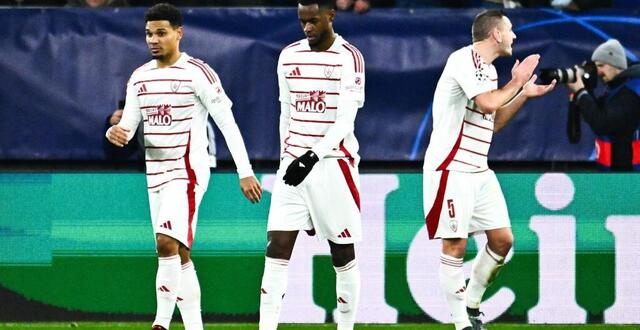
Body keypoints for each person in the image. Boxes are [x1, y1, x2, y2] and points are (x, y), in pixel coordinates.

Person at [105, 3, 262, 330]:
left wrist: (244, 171)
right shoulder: (140, 77)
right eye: (149, 33)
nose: (153, 39)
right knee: (179, 254)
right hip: (155, 173)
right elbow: (130, 127)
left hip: (188, 169)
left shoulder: (197, 73)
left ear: (179, 33)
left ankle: (160, 323)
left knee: (166, 242)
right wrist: (115, 132)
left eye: (161, 33)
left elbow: (227, 124)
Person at [422, 10, 555, 330]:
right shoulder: (463, 60)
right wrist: (517, 81)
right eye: (509, 30)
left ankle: (471, 304)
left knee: (502, 240)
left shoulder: (489, 72)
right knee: (455, 244)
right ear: (495, 34)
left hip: (479, 170)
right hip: (451, 168)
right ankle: (461, 325)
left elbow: (491, 122)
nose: (514, 36)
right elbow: (487, 103)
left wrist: (522, 93)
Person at [258, 0, 365, 329]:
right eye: (302, 21)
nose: (307, 28)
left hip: (334, 164)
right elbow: (286, 113)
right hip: (293, 165)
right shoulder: (289, 56)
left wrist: (313, 155)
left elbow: (345, 120)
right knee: (277, 246)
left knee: (342, 253)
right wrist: (285, 159)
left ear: (331, 16)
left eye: (314, 21)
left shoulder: (350, 58)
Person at [566, 39, 640, 171]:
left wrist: (581, 92)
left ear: (615, 65)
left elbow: (602, 123)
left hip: (629, 177)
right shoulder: (616, 89)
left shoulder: (631, 91)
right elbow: (594, 113)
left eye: (601, 66)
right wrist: (585, 91)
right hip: (612, 171)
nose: (598, 72)